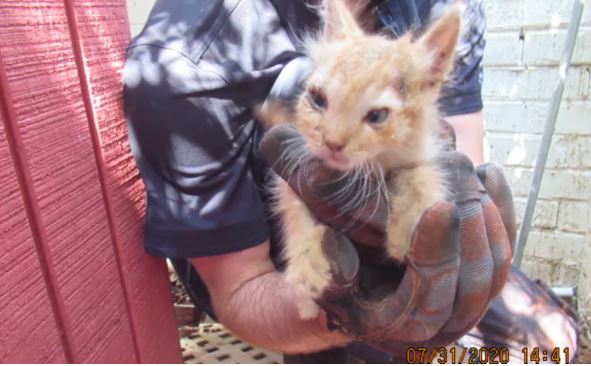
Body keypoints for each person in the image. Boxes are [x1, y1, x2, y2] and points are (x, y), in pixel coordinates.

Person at [123, 0, 578, 362]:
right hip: (293, 281)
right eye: (320, 98)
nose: (336, 137)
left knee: (555, 343)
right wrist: (346, 316)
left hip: (411, 240)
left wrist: (463, 260)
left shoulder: (443, 12)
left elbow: (459, 161)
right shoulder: (184, 61)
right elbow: (240, 289)